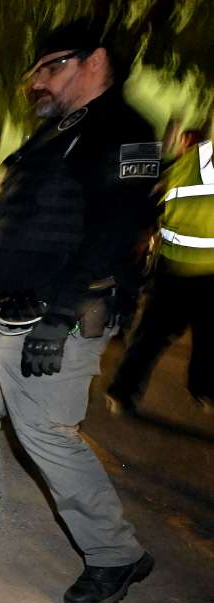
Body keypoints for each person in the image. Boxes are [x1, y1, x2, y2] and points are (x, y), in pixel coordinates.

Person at [0, 20, 160, 603]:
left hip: (64, 315)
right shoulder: (53, 136)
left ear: (93, 62)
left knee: (45, 434)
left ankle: (115, 554)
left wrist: (59, 315)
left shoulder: (125, 132)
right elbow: (16, 221)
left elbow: (118, 231)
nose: (35, 83)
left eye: (50, 67)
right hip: (6, 309)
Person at [106, 130, 213, 415]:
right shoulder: (180, 168)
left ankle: (125, 392)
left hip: (180, 271)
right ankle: (124, 391)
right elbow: (151, 207)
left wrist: (143, 235)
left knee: (159, 338)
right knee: (152, 337)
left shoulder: (178, 167)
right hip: (177, 273)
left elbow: (151, 207)